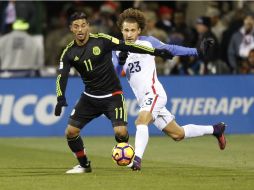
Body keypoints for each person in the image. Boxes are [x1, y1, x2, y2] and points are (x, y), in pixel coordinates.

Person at [54, 12, 173, 174]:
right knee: (71, 132)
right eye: (76, 26)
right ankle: (83, 165)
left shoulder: (102, 40)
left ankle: (129, 158)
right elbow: (62, 76)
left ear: (88, 26)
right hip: (89, 97)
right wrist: (60, 97)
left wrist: (156, 52)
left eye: (83, 25)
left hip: (113, 95)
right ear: (71, 29)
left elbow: (127, 46)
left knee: (121, 132)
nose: (80, 29)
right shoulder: (68, 52)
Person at [115, 8, 227, 171]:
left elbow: (171, 49)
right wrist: (120, 61)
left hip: (154, 93)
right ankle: (216, 129)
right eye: (126, 30)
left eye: (133, 30)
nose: (129, 34)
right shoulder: (117, 49)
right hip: (143, 99)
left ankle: (136, 160)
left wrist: (196, 51)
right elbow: (116, 73)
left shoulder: (148, 42)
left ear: (139, 30)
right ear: (121, 30)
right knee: (178, 134)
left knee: (141, 121)